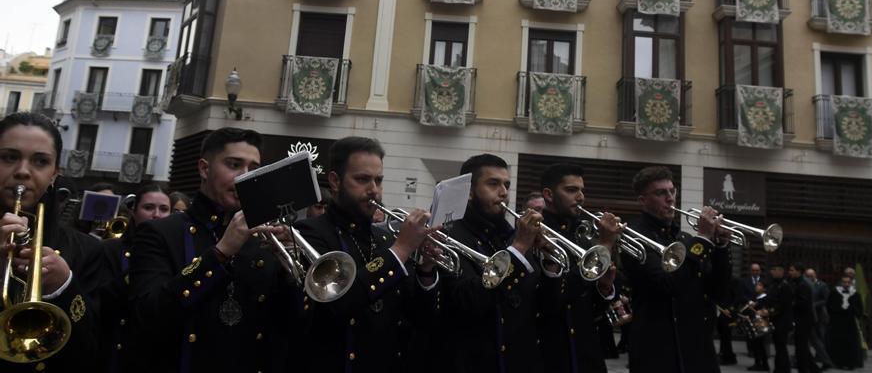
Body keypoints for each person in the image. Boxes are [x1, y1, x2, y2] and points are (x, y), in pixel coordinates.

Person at [129, 127, 300, 372]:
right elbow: (148, 315)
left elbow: (286, 327)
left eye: (253, 169)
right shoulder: (159, 233)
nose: (245, 177)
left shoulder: (263, 239)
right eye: (234, 165)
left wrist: (289, 273)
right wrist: (220, 253)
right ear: (204, 168)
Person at [294, 136, 439, 372]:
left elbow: (419, 318)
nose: (374, 190)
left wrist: (426, 270)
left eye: (378, 180)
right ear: (335, 181)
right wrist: (401, 249)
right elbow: (336, 306)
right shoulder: (310, 232)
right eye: (362, 179)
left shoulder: (385, 238)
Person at [0, 112, 103, 371]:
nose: (23, 172)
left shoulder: (87, 249)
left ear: (55, 174)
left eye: (40, 161)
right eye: (9, 157)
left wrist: (64, 285)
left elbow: (93, 348)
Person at [441, 153, 560, 373]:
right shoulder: (449, 235)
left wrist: (550, 263)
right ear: (469, 192)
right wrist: (520, 248)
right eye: (493, 184)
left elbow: (540, 306)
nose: (504, 193)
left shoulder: (510, 235)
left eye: (507, 185)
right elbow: (469, 299)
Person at [621, 166, 732, 373]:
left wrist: (721, 248)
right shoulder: (633, 237)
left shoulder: (684, 239)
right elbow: (667, 285)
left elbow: (716, 292)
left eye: (672, 191)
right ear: (642, 200)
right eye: (660, 193)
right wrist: (702, 240)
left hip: (696, 349)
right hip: (658, 351)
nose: (670, 198)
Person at [535, 163, 620, 373]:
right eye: (572, 190)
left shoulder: (584, 231)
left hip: (587, 352)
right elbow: (553, 300)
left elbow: (592, 308)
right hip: (550, 352)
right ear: (549, 194)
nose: (580, 197)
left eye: (582, 190)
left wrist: (604, 288)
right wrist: (606, 245)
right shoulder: (536, 233)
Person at [98, 184, 172, 373]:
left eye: (164, 209)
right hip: (117, 348)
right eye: (148, 208)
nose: (157, 214)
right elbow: (100, 300)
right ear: (134, 211)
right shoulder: (109, 249)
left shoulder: (174, 252)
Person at [827, 274, 865, 370]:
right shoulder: (835, 292)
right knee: (838, 343)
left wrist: (851, 309)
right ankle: (838, 362)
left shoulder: (856, 294)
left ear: (851, 283)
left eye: (848, 282)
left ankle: (850, 363)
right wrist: (838, 310)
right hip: (838, 323)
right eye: (844, 282)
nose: (846, 284)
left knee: (850, 344)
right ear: (841, 282)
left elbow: (860, 310)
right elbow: (829, 306)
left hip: (850, 323)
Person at [789, 263, 821, 373]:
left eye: (792, 270)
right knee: (802, 347)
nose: (790, 272)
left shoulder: (803, 284)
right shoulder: (798, 282)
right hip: (802, 319)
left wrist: (791, 303)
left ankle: (804, 369)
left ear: (799, 272)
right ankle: (813, 369)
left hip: (804, 320)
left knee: (801, 347)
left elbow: (803, 303)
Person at [766, 263, 794, 373]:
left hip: (782, 321)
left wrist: (769, 311)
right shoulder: (775, 284)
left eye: (774, 269)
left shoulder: (785, 286)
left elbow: (783, 305)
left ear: (781, 272)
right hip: (776, 319)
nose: (771, 272)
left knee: (781, 346)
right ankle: (779, 368)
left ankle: (784, 369)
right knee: (778, 346)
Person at [805, 268, 834, 370]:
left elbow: (826, 299)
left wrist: (814, 305)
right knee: (813, 339)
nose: (810, 277)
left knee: (820, 337)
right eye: (808, 276)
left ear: (815, 275)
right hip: (809, 316)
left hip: (820, 315)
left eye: (811, 275)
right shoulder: (806, 285)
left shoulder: (822, 285)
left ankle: (822, 359)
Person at [745, 280, 771, 371]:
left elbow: (763, 309)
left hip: (760, 323)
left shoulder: (765, 298)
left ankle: (762, 364)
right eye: (757, 285)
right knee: (756, 344)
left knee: (759, 344)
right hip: (754, 322)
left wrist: (753, 306)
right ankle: (759, 363)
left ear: (764, 288)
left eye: (760, 285)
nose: (757, 287)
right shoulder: (756, 297)